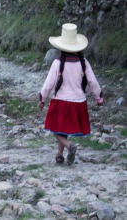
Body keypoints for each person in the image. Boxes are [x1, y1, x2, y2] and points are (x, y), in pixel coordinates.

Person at [39, 23, 104, 165]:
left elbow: (49, 83)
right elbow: (92, 81)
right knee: (63, 128)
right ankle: (59, 155)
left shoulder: (57, 63)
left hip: (61, 101)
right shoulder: (83, 62)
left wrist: (42, 98)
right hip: (79, 102)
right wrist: (98, 97)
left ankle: (69, 146)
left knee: (53, 127)